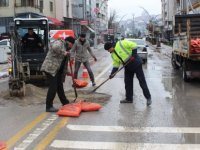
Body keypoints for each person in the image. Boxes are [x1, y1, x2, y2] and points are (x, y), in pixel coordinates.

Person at [104, 39, 152, 106]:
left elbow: (134, 45)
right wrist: (112, 74)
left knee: (142, 81)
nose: (109, 52)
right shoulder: (113, 55)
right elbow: (116, 65)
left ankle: (148, 98)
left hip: (136, 63)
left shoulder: (121, 43)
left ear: (111, 47)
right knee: (127, 82)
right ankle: (129, 98)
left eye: (109, 50)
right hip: (127, 66)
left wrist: (134, 56)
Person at [41, 36, 75, 112]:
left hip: (56, 70)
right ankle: (49, 106)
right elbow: (54, 47)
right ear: (69, 43)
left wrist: (68, 72)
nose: (71, 47)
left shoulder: (65, 49)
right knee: (53, 87)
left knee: (59, 86)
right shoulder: (60, 43)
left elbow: (62, 64)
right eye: (72, 45)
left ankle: (65, 102)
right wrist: (64, 53)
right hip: (50, 68)